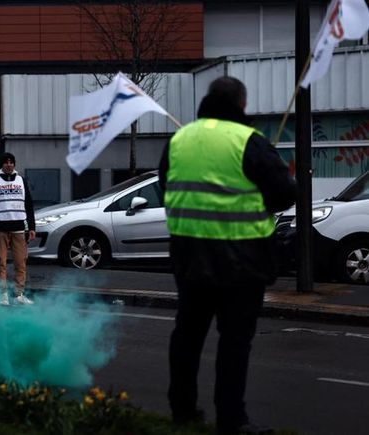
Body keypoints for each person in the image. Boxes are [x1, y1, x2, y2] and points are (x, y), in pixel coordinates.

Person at [159, 77, 296, 435]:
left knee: (187, 336)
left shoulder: (179, 139)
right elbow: (284, 194)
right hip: (242, 258)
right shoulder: (247, 141)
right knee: (234, 342)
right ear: (241, 103)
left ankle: (183, 412)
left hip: (189, 256)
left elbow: (165, 185)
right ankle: (231, 420)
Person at [0, 152, 36, 306]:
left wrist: (31, 227)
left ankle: (19, 294)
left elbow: (29, 205)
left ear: (14, 164)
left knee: (21, 263)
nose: (9, 164)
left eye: (11, 162)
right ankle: (3, 294)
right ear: (2, 165)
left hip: (19, 228)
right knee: (1, 263)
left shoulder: (21, 181)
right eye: (5, 162)